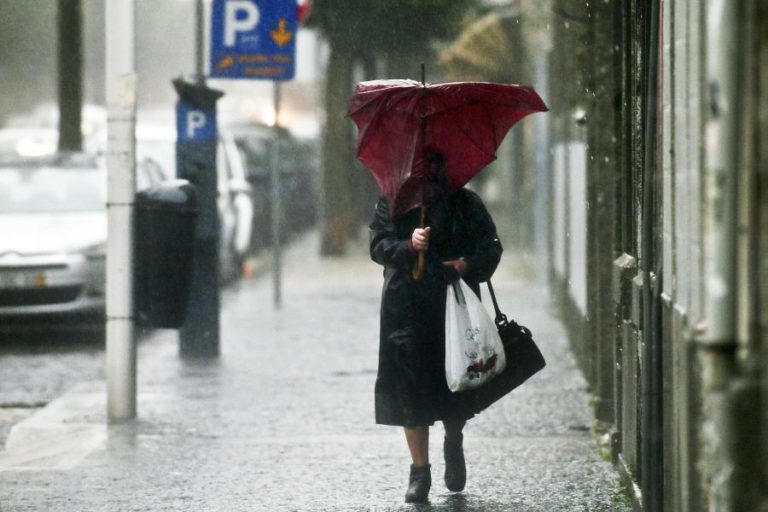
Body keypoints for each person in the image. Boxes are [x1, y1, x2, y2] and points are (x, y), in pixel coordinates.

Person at [368, 152, 503, 503]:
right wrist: (408, 245)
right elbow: (378, 245)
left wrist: (466, 265)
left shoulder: (465, 203)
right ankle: (419, 470)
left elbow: (491, 247)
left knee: (455, 383)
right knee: (410, 389)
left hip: (452, 306)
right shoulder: (393, 201)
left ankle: (453, 442)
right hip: (405, 308)